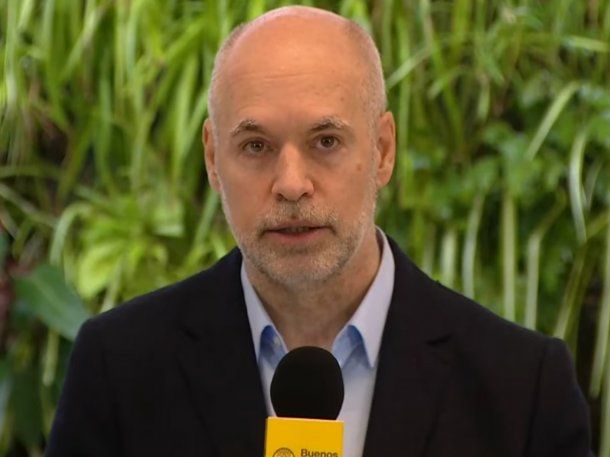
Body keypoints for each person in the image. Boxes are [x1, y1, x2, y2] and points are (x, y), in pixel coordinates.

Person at [46, 6, 593, 457]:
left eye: (325, 141)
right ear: (213, 159)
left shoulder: (522, 387)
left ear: (383, 151)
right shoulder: (119, 368)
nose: (291, 184)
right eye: (255, 146)